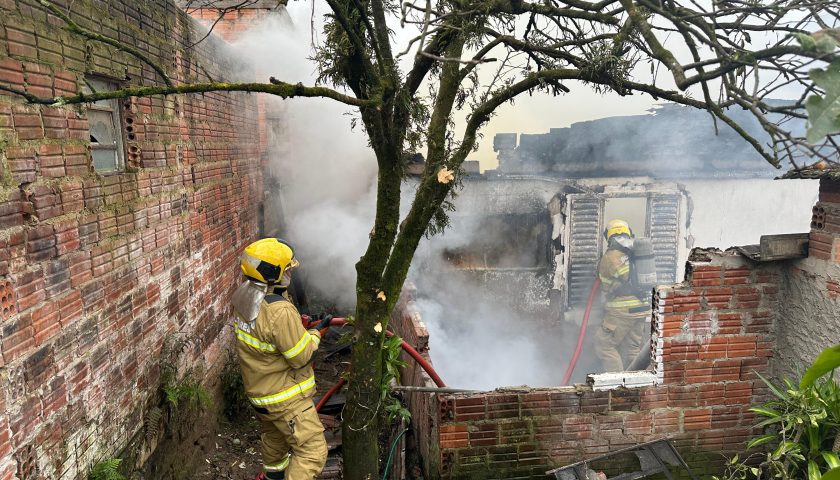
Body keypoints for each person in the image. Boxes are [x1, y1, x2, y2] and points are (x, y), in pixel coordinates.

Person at [230, 238, 331, 480]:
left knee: (275, 444)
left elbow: (270, 335)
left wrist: (298, 327)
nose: (291, 273)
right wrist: (316, 334)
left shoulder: (245, 296)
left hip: (261, 395)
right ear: (272, 274)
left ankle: (273, 476)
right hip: (285, 399)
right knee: (312, 452)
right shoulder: (280, 311)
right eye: (287, 269)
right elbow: (301, 357)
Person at [594, 219, 649, 372]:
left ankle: (616, 382)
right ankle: (637, 381)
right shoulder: (637, 253)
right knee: (633, 349)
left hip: (622, 310)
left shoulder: (611, 256)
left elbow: (606, 286)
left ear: (609, 236)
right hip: (642, 308)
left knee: (604, 346)